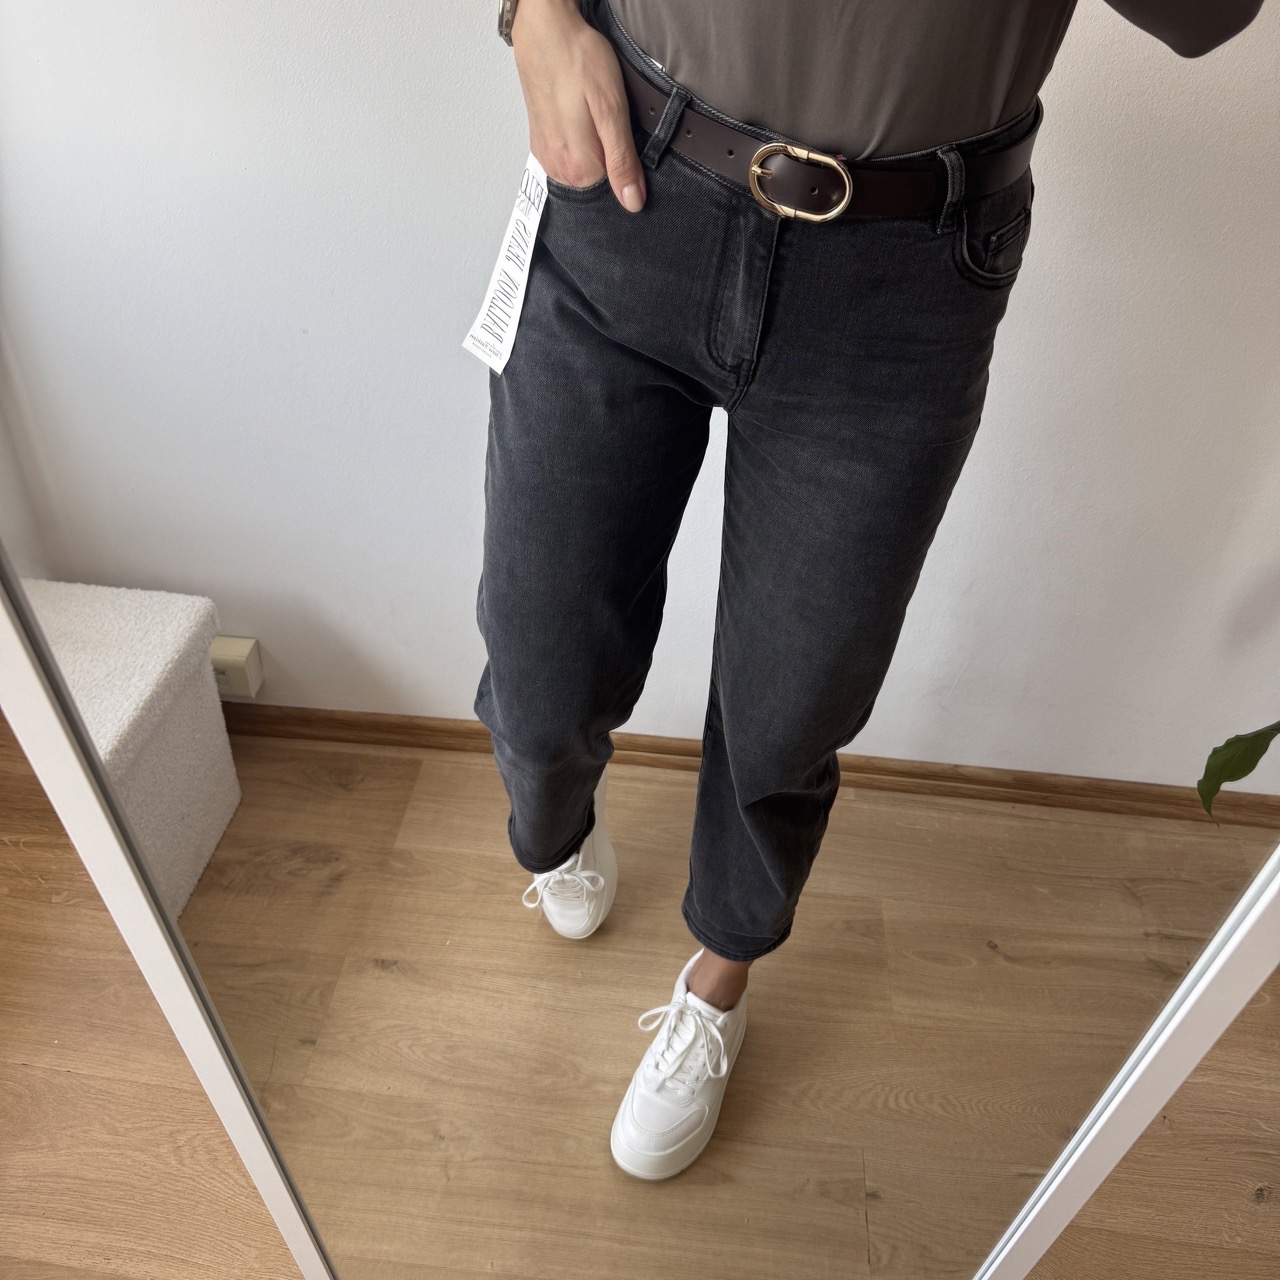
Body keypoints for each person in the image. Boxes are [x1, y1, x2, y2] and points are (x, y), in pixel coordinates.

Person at [473, 0, 1265, 1181]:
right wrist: (535, 12)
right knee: (538, 646)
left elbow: (1206, 18)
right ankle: (554, 827)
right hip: (632, 171)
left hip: (904, 268)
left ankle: (719, 977)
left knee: (791, 701)